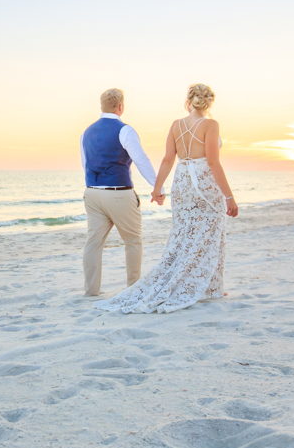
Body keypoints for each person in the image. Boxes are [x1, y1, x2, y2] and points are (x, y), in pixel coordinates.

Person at [94, 83, 237, 314]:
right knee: (209, 233)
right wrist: (229, 196)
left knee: (183, 233)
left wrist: (158, 188)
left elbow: (168, 160)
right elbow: (213, 162)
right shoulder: (211, 124)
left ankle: (203, 285)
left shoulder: (176, 125)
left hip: (182, 184)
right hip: (203, 183)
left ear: (188, 101)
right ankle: (210, 287)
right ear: (209, 102)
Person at [80, 88, 163, 297]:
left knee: (94, 242)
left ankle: (91, 290)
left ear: (101, 106)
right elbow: (141, 160)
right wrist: (157, 188)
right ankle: (133, 288)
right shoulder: (125, 130)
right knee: (133, 240)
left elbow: (85, 164)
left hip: (92, 193)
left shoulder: (86, 132)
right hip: (118, 192)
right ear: (121, 106)